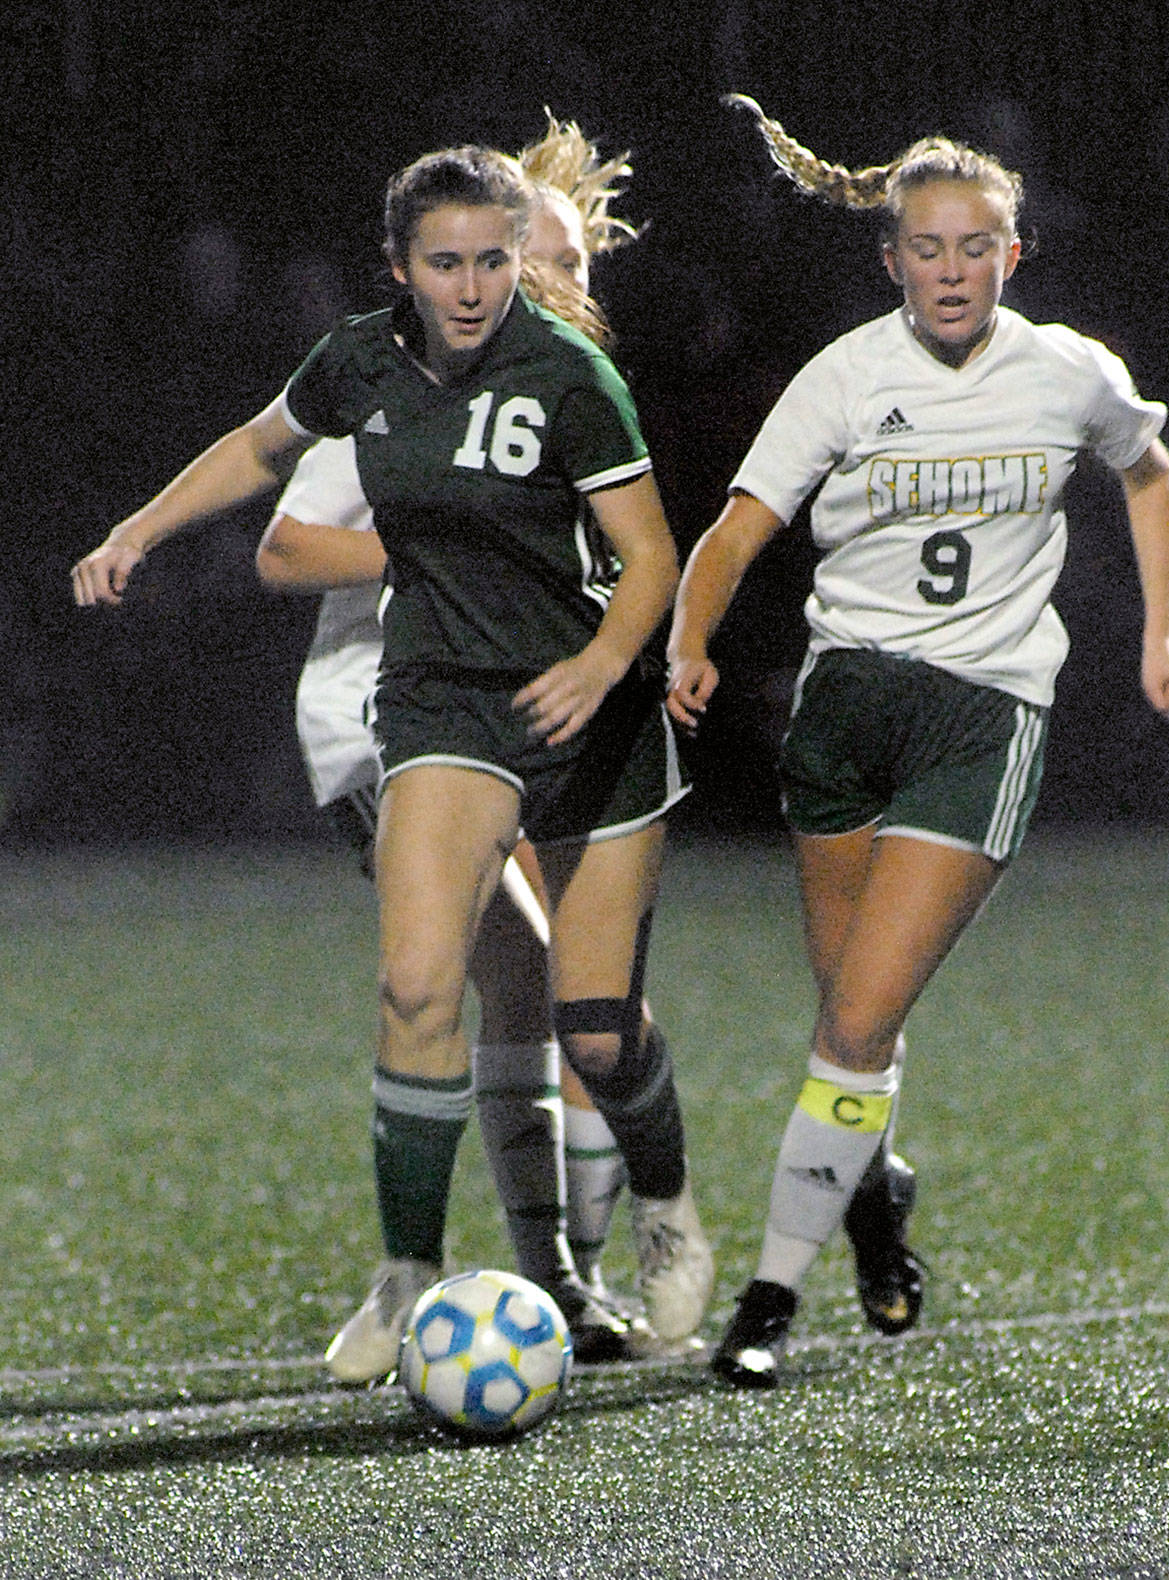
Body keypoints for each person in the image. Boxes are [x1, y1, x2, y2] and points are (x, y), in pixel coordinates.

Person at [72, 141, 714, 1383]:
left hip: (587, 714)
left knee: (590, 1026)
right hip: (437, 708)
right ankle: (407, 1274)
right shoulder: (360, 359)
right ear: (399, 268)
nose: (476, 286)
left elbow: (650, 554)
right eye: (449, 263)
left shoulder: (570, 374)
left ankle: (668, 1205)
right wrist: (140, 526)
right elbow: (261, 454)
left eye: (494, 260)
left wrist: (598, 668)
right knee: (419, 990)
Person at [666, 97, 1169, 1389]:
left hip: (983, 711)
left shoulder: (1068, 370)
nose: (951, 268)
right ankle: (873, 1190)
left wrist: (1160, 639)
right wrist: (691, 639)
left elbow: (1152, 471)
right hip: (843, 708)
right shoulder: (846, 374)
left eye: (976, 247)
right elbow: (737, 530)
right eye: (927, 247)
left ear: (1012, 256)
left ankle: (768, 1301)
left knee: (855, 1020)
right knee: (853, 1018)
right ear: (891, 257)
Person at [254, 116, 666, 1367]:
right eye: (545, 262)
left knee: (537, 984)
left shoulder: (558, 393)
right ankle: (450, 1276)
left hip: (496, 715)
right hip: (380, 717)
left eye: (576, 267)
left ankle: (558, 1279)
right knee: (466, 978)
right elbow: (284, 540)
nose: (561, 288)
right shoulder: (407, 377)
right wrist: (460, 550)